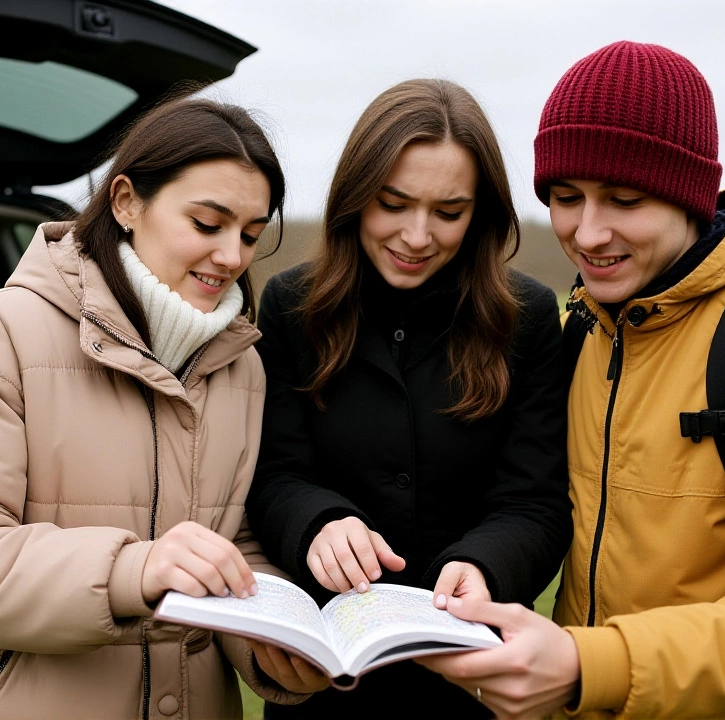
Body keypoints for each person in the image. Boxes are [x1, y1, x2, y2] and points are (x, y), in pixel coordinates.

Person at [418, 41, 725, 719]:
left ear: (689, 198)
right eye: (566, 198)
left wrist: (589, 665)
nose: (588, 233)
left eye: (625, 200)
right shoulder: (582, 327)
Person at [0, 96, 331, 720]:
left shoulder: (243, 366)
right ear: (125, 202)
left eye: (251, 234)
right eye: (207, 224)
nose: (233, 256)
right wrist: (130, 570)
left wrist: (267, 641)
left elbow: (234, 540)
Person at [245, 78, 575, 718]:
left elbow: (534, 501)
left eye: (449, 213)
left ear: (480, 213)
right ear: (354, 196)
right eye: (393, 204)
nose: (418, 236)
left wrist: (485, 565)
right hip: (322, 683)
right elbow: (273, 473)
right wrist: (317, 522)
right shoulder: (290, 304)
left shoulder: (528, 316)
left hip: (470, 683)